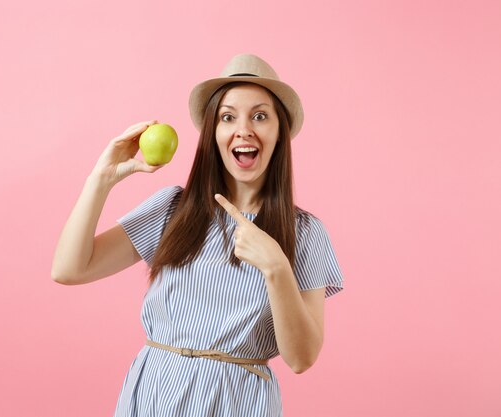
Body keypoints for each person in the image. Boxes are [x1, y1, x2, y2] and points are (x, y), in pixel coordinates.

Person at [51, 54, 345, 416]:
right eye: (227, 117)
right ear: (213, 133)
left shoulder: (305, 234)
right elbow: (69, 269)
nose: (244, 129)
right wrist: (102, 179)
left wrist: (276, 268)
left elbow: (301, 358)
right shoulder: (174, 209)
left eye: (260, 116)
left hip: (237, 403)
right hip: (155, 393)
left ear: (279, 133)